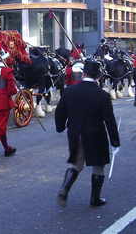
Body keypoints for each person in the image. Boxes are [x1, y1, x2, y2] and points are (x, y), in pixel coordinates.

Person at [55, 60, 120, 207]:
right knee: (98, 165)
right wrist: (115, 142)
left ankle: (64, 188)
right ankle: (95, 199)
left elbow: (59, 112)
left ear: (83, 73)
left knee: (76, 164)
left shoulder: (69, 91)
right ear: (98, 76)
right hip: (95, 134)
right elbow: (110, 121)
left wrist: (60, 127)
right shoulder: (102, 95)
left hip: (75, 133)